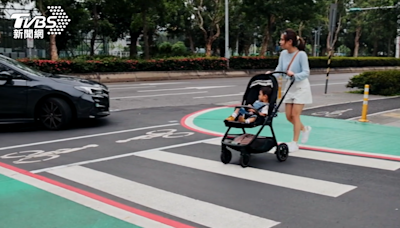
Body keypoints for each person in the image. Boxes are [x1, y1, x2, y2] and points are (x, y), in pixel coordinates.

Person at [266, 28, 312, 152]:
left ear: (290, 41)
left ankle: (294, 143)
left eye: (282, 39)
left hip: (301, 86)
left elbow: (306, 72)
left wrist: (294, 75)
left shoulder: (301, 54)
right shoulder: (283, 54)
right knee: (288, 116)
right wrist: (271, 75)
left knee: (295, 115)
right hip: (289, 87)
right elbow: (279, 68)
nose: (280, 42)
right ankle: (304, 129)